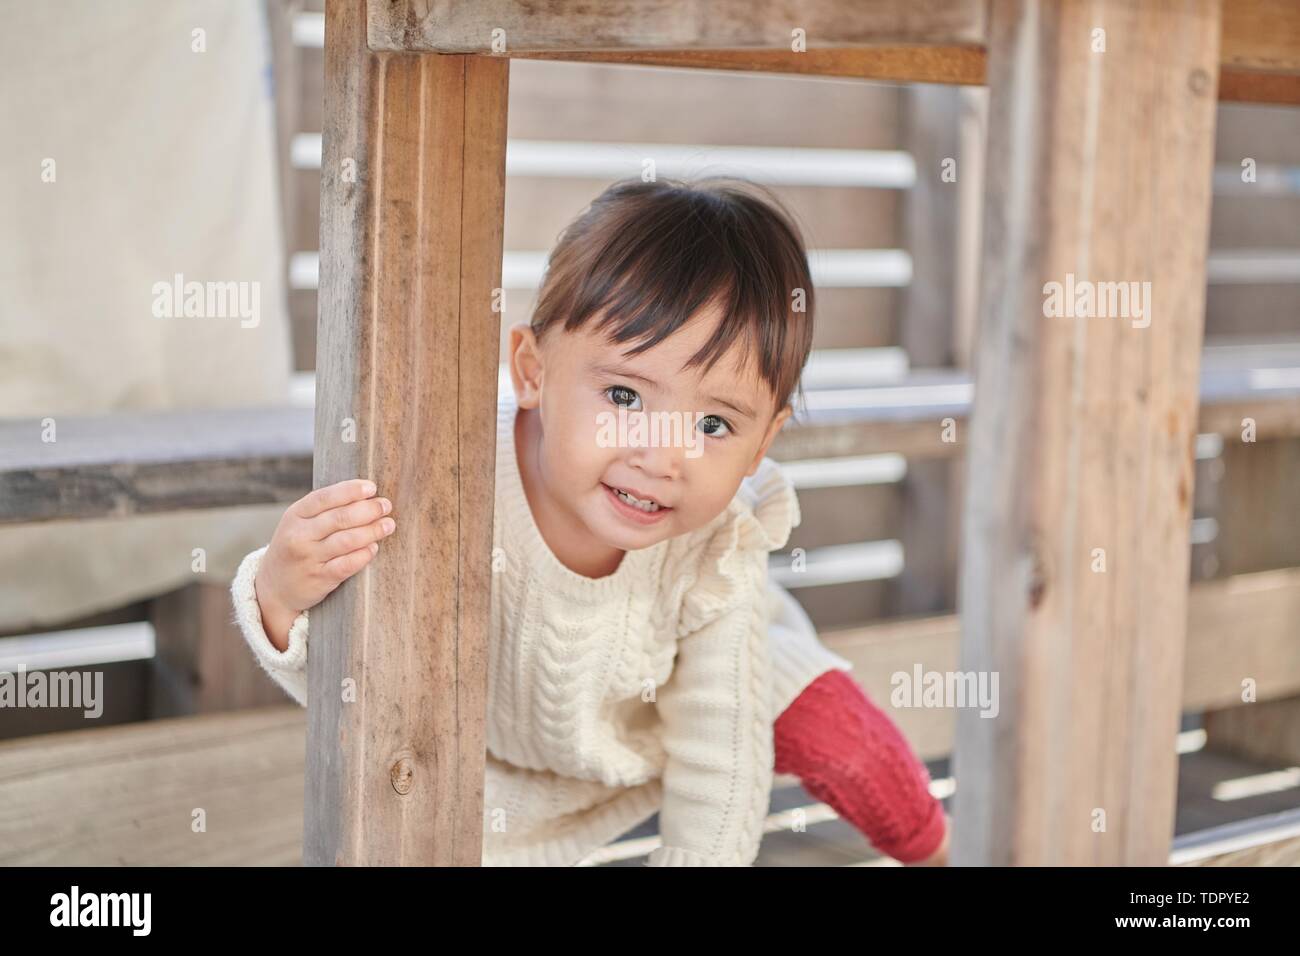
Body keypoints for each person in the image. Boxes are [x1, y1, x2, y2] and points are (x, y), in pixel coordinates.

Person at [231, 177, 949, 866]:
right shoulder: (450, 485)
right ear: (532, 371)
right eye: (624, 396)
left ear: (764, 443)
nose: (662, 457)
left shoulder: (713, 546)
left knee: (845, 741)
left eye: (712, 423)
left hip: (691, 676)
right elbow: (347, 673)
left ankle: (944, 850)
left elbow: (722, 765)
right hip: (515, 754)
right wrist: (279, 595)